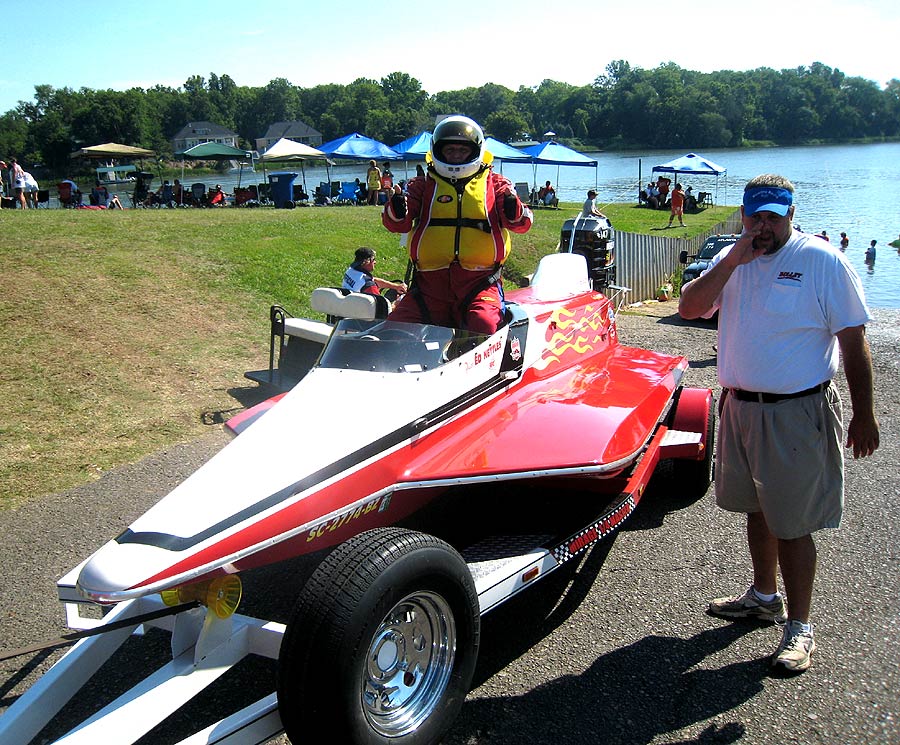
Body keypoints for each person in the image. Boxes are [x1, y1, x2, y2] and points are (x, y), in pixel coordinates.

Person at [678, 173, 879, 675]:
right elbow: (690, 308)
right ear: (743, 215)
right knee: (758, 511)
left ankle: (800, 628)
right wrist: (732, 260)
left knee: (791, 525)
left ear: (792, 215)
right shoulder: (736, 260)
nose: (762, 226)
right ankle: (763, 597)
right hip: (740, 406)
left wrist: (865, 413)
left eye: (773, 216)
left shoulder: (821, 261)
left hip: (795, 410)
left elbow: (854, 343)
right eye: (754, 216)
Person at [382, 115, 532, 334]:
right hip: (428, 286)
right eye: (450, 151)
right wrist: (397, 207)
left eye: (462, 151)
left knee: (483, 325)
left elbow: (522, 224)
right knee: (396, 328)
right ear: (438, 151)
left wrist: (513, 208)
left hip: (479, 283)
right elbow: (397, 224)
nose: (455, 156)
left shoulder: (496, 184)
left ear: (474, 151)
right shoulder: (422, 186)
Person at [341, 247, 407, 298]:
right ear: (366, 262)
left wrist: (396, 286)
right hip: (364, 313)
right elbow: (381, 308)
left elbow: (374, 280)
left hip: (348, 305)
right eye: (373, 260)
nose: (375, 262)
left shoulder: (351, 271)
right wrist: (396, 304)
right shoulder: (368, 285)